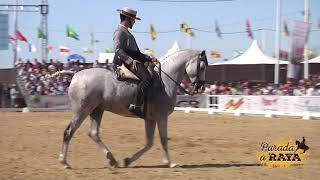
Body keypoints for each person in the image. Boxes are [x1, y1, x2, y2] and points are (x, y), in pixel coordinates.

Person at [113, 7, 157, 118]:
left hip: (133, 60)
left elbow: (136, 53)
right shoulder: (120, 31)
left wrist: (149, 58)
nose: (134, 22)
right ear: (128, 19)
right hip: (124, 61)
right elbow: (117, 49)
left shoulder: (127, 32)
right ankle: (135, 105)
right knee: (147, 78)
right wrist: (130, 60)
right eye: (133, 19)